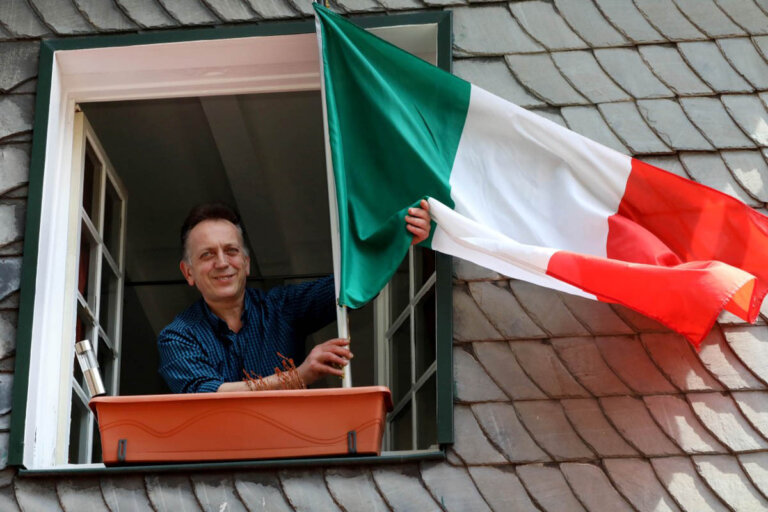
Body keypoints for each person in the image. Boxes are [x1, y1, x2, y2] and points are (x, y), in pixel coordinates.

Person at [158, 200, 432, 393]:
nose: (222, 262)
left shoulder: (282, 307)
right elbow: (206, 395)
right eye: (207, 254)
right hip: (218, 468)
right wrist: (298, 376)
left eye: (230, 251)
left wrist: (399, 239)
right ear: (188, 272)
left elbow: (350, 285)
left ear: (246, 262)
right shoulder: (179, 336)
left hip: (291, 465)